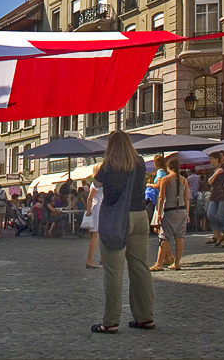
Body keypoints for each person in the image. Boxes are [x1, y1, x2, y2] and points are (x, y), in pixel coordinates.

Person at [90, 131, 154, 334]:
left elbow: (96, 185)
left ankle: (110, 321)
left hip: (117, 219)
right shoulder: (140, 163)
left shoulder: (107, 166)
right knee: (140, 268)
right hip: (140, 216)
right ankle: (145, 318)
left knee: (114, 272)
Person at [150, 155, 190, 271]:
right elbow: (186, 197)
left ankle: (159, 263)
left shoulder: (166, 179)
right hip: (182, 210)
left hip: (169, 210)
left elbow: (162, 197)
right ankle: (177, 263)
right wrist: (187, 212)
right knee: (179, 237)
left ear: (169, 167)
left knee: (164, 237)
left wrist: (159, 213)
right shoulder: (184, 180)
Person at [206, 151, 224, 248]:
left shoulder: (223, 166)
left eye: (211, 158)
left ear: (216, 159)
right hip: (215, 195)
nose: (210, 160)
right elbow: (209, 181)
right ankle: (217, 234)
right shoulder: (212, 169)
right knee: (210, 214)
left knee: (221, 215)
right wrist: (216, 173)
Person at [85, 162, 103, 269]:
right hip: (97, 208)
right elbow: (90, 198)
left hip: (102, 207)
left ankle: (103, 258)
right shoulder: (96, 183)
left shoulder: (101, 182)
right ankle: (89, 259)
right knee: (95, 235)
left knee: (102, 235)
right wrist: (88, 211)